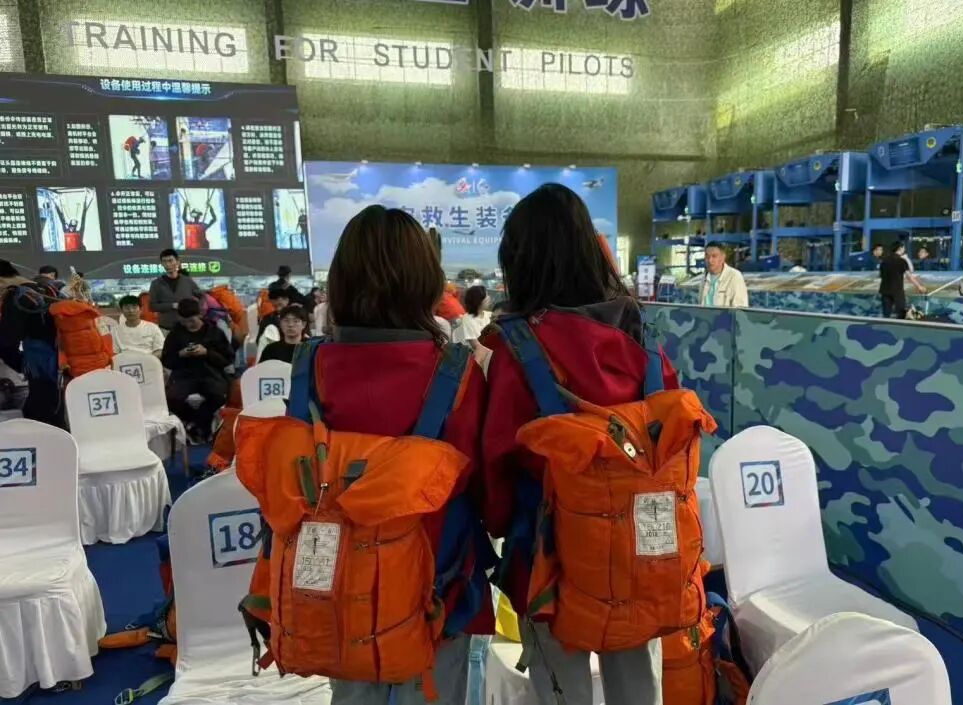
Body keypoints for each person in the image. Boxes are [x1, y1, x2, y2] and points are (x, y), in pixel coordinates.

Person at [480, 183, 683, 705]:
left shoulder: (517, 349)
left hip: (548, 560)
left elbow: (499, 461)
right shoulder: (641, 336)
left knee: (561, 690)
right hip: (636, 553)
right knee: (637, 684)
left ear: (520, 260)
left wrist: (498, 523)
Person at [292, 204, 492, 704]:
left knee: (352, 689)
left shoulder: (310, 366)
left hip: (339, 580)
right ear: (425, 279)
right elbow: (478, 484)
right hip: (435, 583)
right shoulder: (455, 372)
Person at [0, 260, 64, 427]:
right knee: (57, 409)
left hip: (40, 364)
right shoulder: (49, 289)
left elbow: (8, 339)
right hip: (62, 361)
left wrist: (20, 363)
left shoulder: (17, 295)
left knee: (40, 414)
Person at [162, 298, 232, 443]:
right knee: (171, 398)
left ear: (200, 315)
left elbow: (228, 358)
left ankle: (196, 424)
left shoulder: (214, 332)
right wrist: (180, 354)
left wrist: (207, 353)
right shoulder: (175, 334)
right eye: (185, 322)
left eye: (192, 321)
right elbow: (167, 360)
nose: (189, 325)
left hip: (210, 373)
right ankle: (197, 423)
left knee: (219, 396)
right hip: (184, 375)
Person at [149, 248, 202, 332]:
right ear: (161, 264)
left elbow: (200, 296)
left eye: (170, 261)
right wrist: (172, 305)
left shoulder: (187, 281)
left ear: (177, 262)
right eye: (164, 261)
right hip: (166, 327)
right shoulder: (156, 284)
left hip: (187, 327)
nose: (168, 264)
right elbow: (152, 306)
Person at [879, 241, 927, 319]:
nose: (904, 249)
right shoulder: (901, 261)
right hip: (897, 291)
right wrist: (919, 287)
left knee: (886, 314)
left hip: (884, 290)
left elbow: (881, 275)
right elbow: (909, 276)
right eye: (903, 247)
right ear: (900, 248)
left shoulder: (884, 261)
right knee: (900, 313)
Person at [699, 242, 749, 307]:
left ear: (722, 258)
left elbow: (740, 308)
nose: (710, 260)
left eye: (714, 256)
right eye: (707, 256)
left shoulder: (734, 276)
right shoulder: (704, 278)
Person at [255, 286, 292, 356]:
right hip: (273, 354)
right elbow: (259, 340)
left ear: (287, 300)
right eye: (274, 300)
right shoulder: (267, 319)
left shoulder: (297, 317)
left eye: (280, 302)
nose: (276, 303)